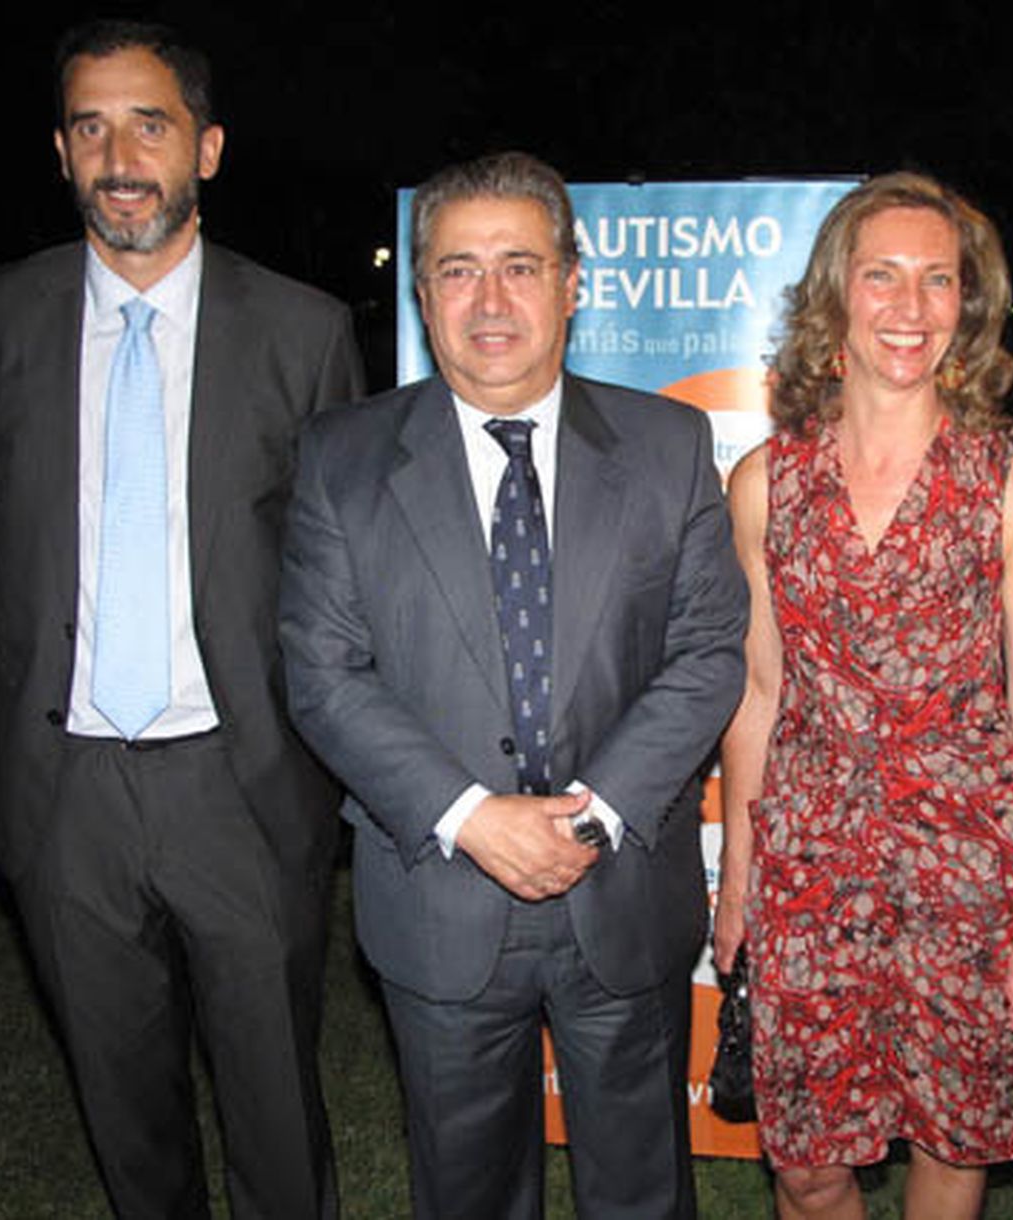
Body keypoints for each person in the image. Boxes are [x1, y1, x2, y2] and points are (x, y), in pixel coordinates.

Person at [0, 19, 363, 1220]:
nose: (119, 155)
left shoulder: (303, 330)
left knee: (276, 1109)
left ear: (208, 149)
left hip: (241, 782)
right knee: (127, 1119)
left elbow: (330, 567)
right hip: (63, 785)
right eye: (90, 126)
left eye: (150, 124)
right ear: (62, 151)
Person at [278, 151, 747, 1220]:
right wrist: (471, 817)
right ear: (421, 290)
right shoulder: (341, 459)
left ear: (573, 282)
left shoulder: (667, 444)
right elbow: (321, 669)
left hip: (620, 890)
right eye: (457, 269)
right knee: (469, 1193)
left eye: (521, 266)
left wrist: (593, 813)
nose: (489, 300)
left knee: (640, 1191)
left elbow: (709, 645)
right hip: (439, 894)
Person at [713, 172, 1013, 1219]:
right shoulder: (765, 484)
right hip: (810, 864)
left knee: (949, 1139)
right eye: (882, 275)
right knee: (807, 1160)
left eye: (937, 280)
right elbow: (760, 688)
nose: (909, 306)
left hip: (970, 868)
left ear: (967, 303)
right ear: (837, 292)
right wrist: (740, 875)